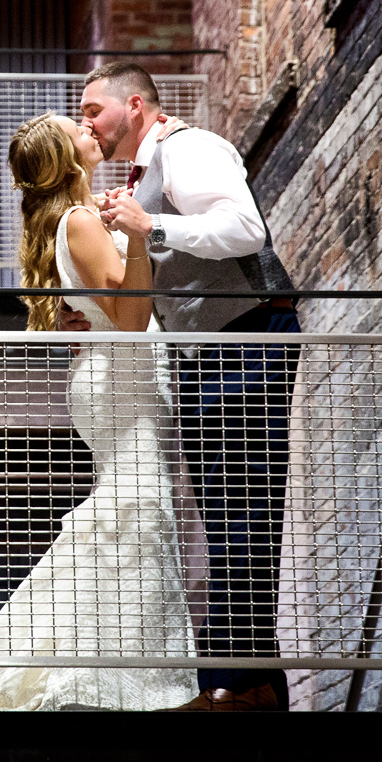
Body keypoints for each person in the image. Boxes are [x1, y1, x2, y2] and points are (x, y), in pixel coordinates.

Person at [0, 114, 200, 711]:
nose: (89, 128)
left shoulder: (76, 219)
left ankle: (103, 667)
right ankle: (127, 684)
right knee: (140, 515)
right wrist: (137, 231)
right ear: (68, 157)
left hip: (113, 379)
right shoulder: (80, 221)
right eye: (77, 128)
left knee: (128, 515)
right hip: (121, 382)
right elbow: (131, 319)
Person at [76, 62, 300, 713]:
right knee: (226, 514)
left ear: (136, 104)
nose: (88, 122)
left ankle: (241, 684)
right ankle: (241, 682)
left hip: (246, 338)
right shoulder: (143, 178)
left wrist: (152, 229)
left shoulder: (189, 148)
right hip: (209, 354)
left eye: (95, 109)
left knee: (244, 511)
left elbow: (244, 229)